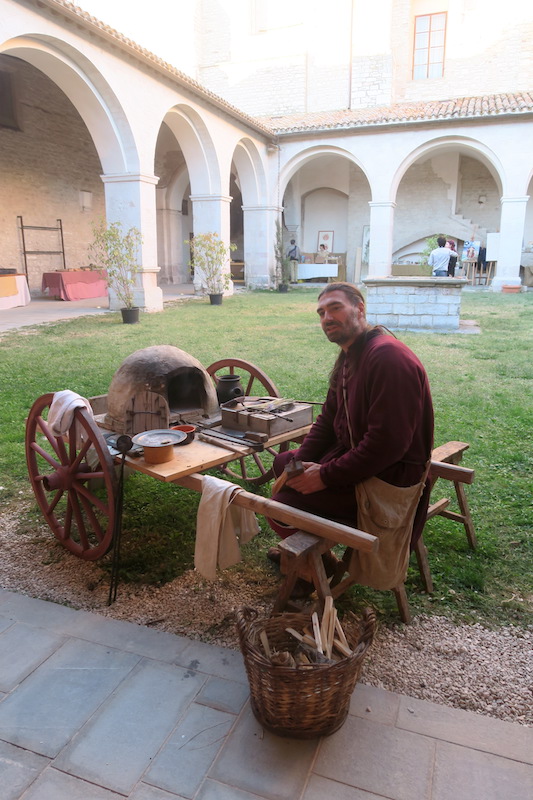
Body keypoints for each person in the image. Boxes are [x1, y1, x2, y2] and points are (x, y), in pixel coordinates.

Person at [268, 282, 434, 592]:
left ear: (360, 309)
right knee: (283, 464)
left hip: (387, 479)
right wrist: (302, 462)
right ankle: (317, 556)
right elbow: (329, 420)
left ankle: (312, 567)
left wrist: (326, 476)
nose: (326, 318)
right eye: (321, 313)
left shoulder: (387, 358)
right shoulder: (349, 357)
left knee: (280, 506)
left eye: (335, 308)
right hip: (358, 460)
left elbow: (388, 444)